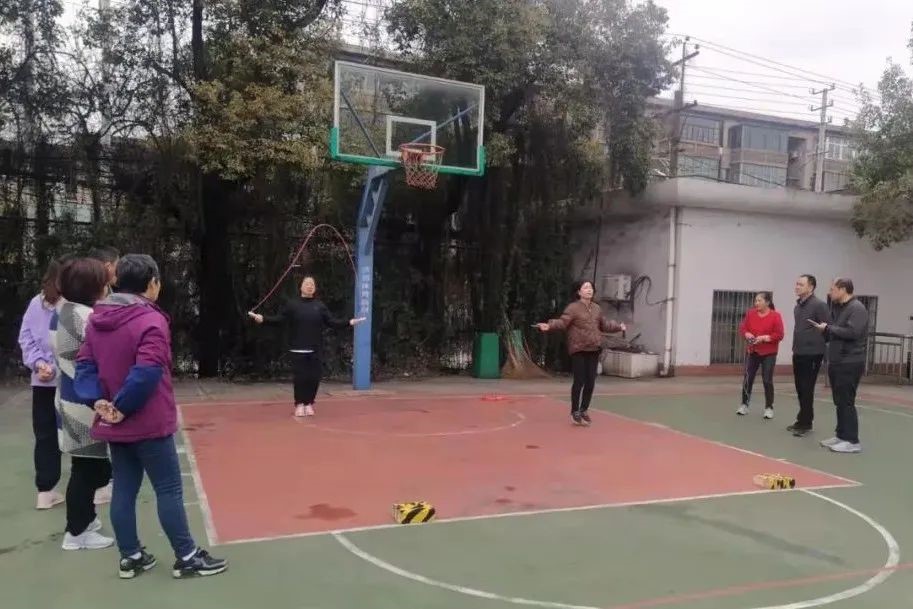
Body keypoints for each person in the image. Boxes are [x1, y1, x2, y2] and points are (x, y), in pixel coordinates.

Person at [75, 254, 227, 579]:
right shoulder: (150, 320)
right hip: (149, 421)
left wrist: (99, 401)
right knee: (168, 488)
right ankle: (186, 556)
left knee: (124, 489)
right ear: (153, 283)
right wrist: (121, 407)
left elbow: (84, 365)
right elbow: (146, 372)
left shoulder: (98, 319)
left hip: (115, 422)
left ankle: (131, 556)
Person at [50, 257, 115, 550]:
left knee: (87, 466)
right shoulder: (86, 317)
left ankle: (85, 520)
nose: (107, 286)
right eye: (103, 282)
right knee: (89, 470)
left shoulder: (62, 310)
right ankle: (76, 532)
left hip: (70, 394)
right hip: (84, 401)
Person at [248, 275, 365, 417]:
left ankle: (309, 403)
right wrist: (263, 319)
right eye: (307, 283)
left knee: (314, 377)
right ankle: (299, 404)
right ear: (301, 287)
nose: (310, 286)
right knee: (301, 378)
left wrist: (349, 322)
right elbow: (279, 320)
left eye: (312, 284)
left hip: (316, 348)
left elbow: (332, 322)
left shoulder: (320, 306)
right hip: (298, 348)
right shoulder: (292, 305)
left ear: (314, 288)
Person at [535, 280, 625, 426]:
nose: (589, 290)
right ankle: (574, 411)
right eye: (585, 287)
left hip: (594, 348)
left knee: (590, 382)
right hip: (579, 348)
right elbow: (563, 322)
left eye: (591, 288)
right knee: (579, 381)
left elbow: (605, 325)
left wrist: (618, 327)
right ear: (579, 292)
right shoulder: (573, 308)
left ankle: (584, 409)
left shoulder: (596, 308)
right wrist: (549, 325)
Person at [18, 258, 64, 509]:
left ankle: (45, 491)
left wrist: (38, 364)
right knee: (81, 432)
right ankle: (99, 486)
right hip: (67, 382)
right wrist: (48, 366)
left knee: (45, 435)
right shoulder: (73, 306)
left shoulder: (36, 303)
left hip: (42, 381)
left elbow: (25, 338)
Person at [810, 278, 868, 453]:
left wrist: (828, 328)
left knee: (846, 401)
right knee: (839, 401)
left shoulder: (857, 308)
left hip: (850, 361)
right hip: (837, 360)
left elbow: (853, 332)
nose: (830, 292)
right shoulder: (839, 308)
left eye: (833, 289)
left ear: (843, 289)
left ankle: (852, 441)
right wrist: (825, 330)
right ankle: (841, 435)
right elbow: (836, 332)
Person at [788, 274, 830, 437]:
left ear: (811, 287)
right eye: (796, 284)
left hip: (813, 353)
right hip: (799, 351)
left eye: (801, 284)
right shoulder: (798, 306)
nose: (797, 287)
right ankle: (802, 419)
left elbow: (827, 327)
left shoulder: (819, 305)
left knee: (807, 387)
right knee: (800, 387)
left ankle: (806, 423)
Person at [736, 292, 784, 420]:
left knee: (767, 379)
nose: (756, 303)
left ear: (767, 302)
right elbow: (743, 328)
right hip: (752, 351)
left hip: (769, 353)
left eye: (759, 300)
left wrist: (765, 338)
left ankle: (769, 408)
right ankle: (744, 405)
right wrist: (747, 334)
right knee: (748, 378)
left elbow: (779, 334)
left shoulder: (775, 316)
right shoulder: (750, 314)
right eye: (755, 300)